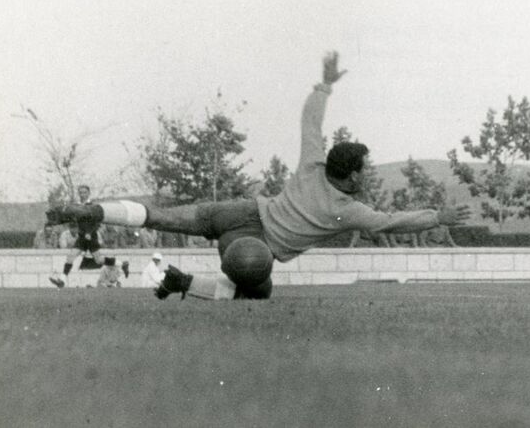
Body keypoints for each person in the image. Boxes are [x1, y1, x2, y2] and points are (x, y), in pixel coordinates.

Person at [45, 52, 470, 301]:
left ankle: (94, 210)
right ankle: (180, 281)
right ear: (355, 176)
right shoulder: (349, 210)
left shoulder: (313, 163)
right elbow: (392, 222)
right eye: (365, 168)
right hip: (252, 246)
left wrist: (324, 86)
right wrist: (438, 217)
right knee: (255, 290)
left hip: (239, 211)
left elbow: (310, 121)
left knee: (160, 216)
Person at [48, 185, 128, 288]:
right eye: (81, 192)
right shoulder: (77, 206)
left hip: (91, 237)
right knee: (70, 257)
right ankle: (62, 281)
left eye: (84, 192)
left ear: (88, 193)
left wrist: (89, 233)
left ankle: (122, 263)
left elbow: (97, 223)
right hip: (82, 237)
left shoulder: (93, 206)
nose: (82, 194)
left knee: (99, 260)